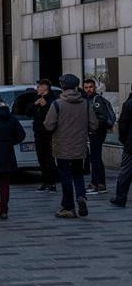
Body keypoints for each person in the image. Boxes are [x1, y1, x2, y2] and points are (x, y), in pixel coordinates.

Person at [44, 74, 98, 218]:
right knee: (78, 174)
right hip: (79, 146)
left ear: (62, 87)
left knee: (65, 176)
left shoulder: (57, 104)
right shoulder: (85, 103)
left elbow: (48, 126)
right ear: (76, 86)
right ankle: (81, 196)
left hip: (61, 147)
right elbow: (94, 125)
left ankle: (68, 207)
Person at [83, 78, 115, 194]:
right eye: (86, 87)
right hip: (95, 133)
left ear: (95, 87)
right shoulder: (88, 99)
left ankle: (95, 184)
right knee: (97, 159)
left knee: (95, 159)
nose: (88, 90)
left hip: (97, 133)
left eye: (90, 87)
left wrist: (93, 129)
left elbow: (102, 118)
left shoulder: (96, 100)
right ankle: (101, 184)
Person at [27, 79, 58, 192]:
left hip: (49, 134)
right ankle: (45, 182)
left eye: (39, 87)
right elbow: (28, 112)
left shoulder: (52, 99)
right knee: (41, 158)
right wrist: (35, 105)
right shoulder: (37, 98)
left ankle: (52, 183)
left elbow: (54, 115)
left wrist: (46, 106)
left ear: (45, 88)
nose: (37, 88)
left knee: (49, 158)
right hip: (38, 133)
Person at [111, 87, 132, 207]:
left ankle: (121, 197)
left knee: (125, 172)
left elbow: (123, 125)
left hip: (130, 144)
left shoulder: (129, 104)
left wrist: (124, 140)